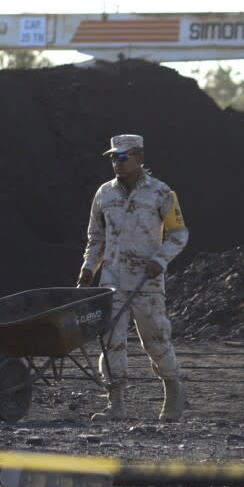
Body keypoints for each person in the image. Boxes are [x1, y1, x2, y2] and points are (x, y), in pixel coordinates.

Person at [77, 134, 189, 423]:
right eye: (114, 157)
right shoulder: (104, 194)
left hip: (147, 281)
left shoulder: (162, 193)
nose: (117, 162)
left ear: (139, 157)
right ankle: (116, 404)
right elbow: (96, 237)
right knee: (110, 340)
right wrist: (89, 267)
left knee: (154, 339)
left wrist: (160, 260)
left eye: (123, 156)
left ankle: (174, 391)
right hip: (112, 280)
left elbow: (179, 234)